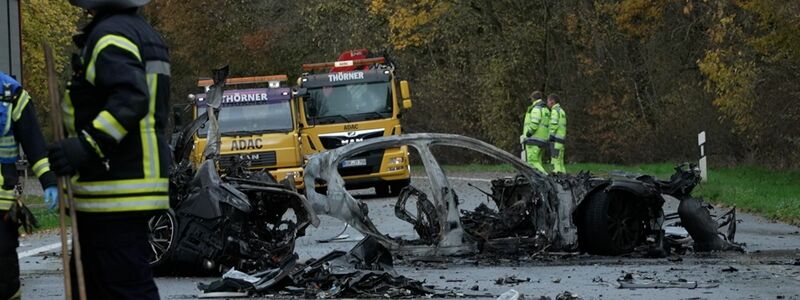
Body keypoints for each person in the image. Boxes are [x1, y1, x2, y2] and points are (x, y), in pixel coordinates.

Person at [47, 0, 171, 298]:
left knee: (122, 290)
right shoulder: (142, 33)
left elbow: (131, 98)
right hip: (126, 186)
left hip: (114, 188)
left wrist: (84, 146)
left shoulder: (110, 36)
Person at [0, 72, 59, 300]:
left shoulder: (11, 93)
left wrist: (49, 182)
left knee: (5, 277)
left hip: (2, 205)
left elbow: (35, 145)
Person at [521, 91, 550, 173]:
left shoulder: (536, 108)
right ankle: (540, 182)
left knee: (532, 161)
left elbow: (535, 122)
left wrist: (529, 133)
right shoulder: (546, 109)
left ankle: (547, 179)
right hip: (543, 139)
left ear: (533, 98)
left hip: (534, 139)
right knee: (538, 161)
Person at [548, 94, 567, 174]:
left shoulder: (555, 111)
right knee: (561, 162)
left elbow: (554, 124)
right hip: (561, 139)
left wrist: (551, 135)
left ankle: (558, 178)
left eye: (548, 101)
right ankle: (565, 178)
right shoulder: (561, 111)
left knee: (556, 161)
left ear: (552, 101)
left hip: (556, 140)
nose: (547, 103)